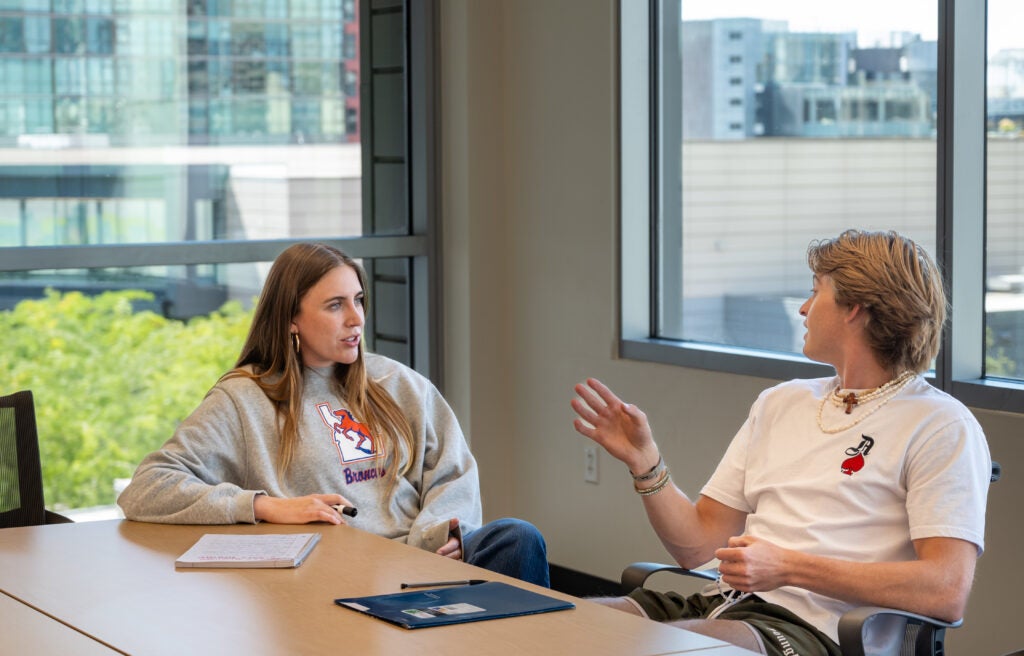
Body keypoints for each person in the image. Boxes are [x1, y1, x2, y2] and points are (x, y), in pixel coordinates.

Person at [570, 229, 990, 655]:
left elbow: (946, 589)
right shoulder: (781, 401)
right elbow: (697, 545)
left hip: (821, 631)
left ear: (856, 308)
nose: (804, 308)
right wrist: (646, 462)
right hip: (725, 603)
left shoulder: (940, 424)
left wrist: (788, 567)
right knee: (568, 629)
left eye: (815, 292)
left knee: (649, 649)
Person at [119, 242, 549, 587]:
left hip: (423, 558)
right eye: (335, 305)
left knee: (518, 537)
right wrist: (264, 506)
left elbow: (452, 473)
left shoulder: (399, 384)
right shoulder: (245, 399)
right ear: (291, 318)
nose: (355, 318)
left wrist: (444, 532)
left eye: (358, 300)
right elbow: (147, 487)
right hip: (334, 571)